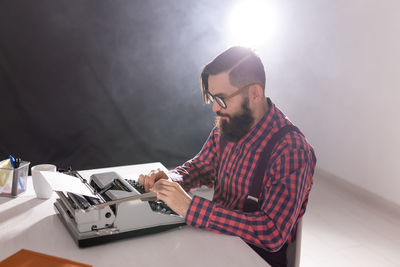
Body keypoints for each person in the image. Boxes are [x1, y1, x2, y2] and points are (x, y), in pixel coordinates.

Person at [138, 46, 316, 267]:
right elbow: (200, 168)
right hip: (216, 242)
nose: (214, 108)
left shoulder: (291, 149)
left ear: (255, 94)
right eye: (212, 98)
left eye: (221, 99)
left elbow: (272, 232)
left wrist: (190, 207)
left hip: (255, 257)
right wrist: (170, 179)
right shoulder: (229, 125)